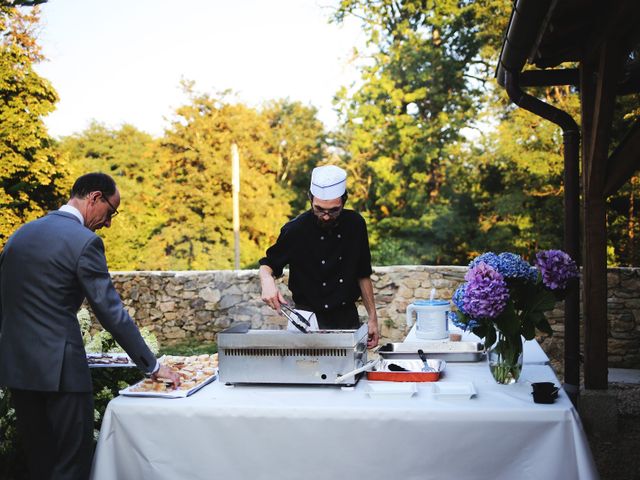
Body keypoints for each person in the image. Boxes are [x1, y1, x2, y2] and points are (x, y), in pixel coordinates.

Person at [0, 172, 180, 480]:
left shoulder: (19, 235)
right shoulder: (85, 241)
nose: (108, 223)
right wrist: (151, 365)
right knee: (72, 463)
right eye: (111, 212)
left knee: (39, 462)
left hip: (17, 368)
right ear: (95, 197)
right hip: (62, 372)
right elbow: (111, 313)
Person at [259, 165, 379, 348]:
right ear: (310, 199)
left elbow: (363, 274)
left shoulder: (356, 225)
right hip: (306, 321)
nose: (325, 216)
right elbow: (268, 265)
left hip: (346, 320)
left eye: (333, 211)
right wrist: (266, 280)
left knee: (349, 374)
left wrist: (373, 318)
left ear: (344, 201)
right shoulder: (295, 229)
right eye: (319, 209)